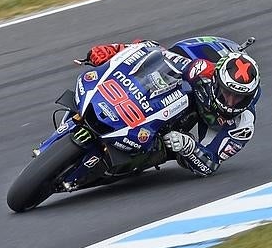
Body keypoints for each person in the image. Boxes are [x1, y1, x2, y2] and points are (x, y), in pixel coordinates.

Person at [85, 39, 261, 176]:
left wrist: (189, 147)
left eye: (239, 98)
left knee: (171, 149)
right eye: (226, 92)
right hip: (188, 83)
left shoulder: (244, 125)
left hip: (188, 133)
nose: (230, 101)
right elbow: (151, 50)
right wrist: (113, 51)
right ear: (215, 80)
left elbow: (211, 163)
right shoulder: (199, 65)